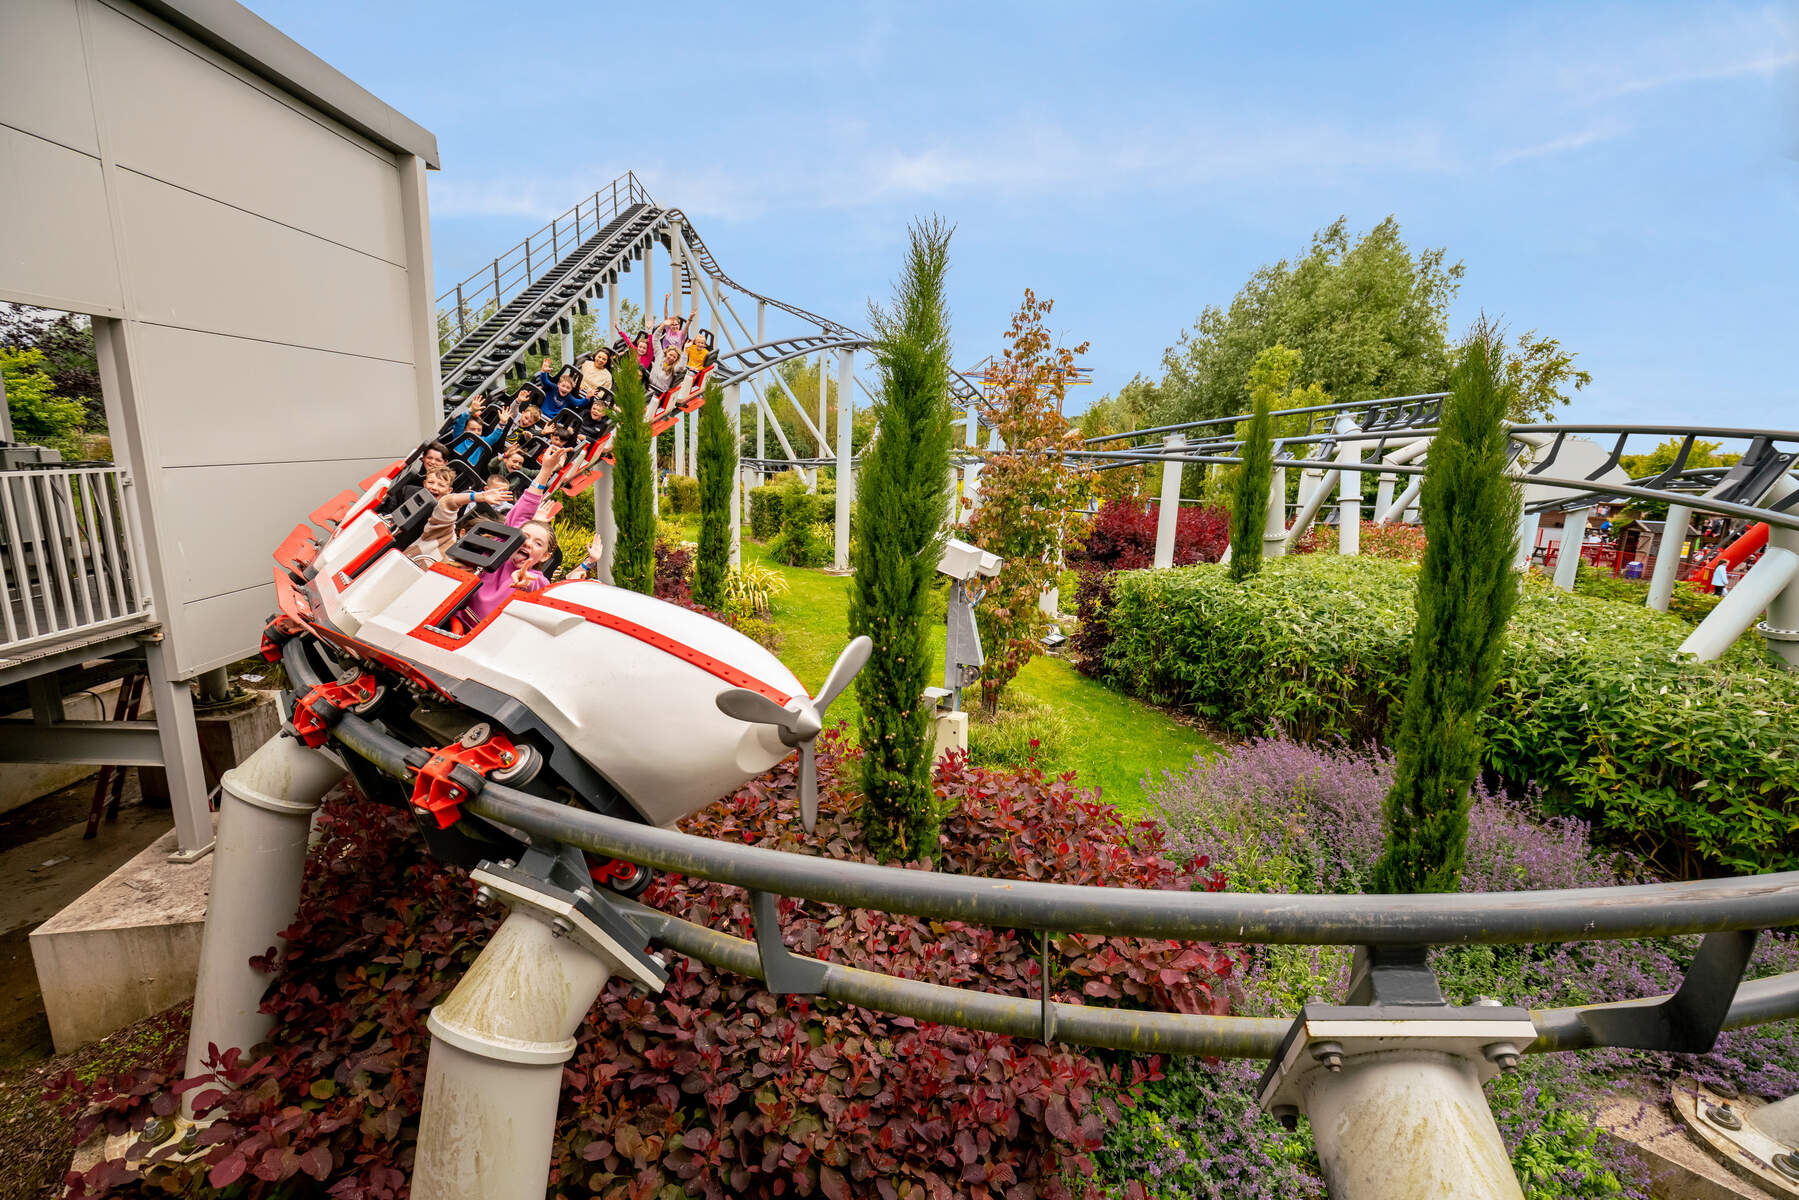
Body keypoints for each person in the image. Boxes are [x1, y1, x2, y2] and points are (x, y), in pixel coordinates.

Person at [460, 446, 570, 625]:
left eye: (538, 544)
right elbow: (524, 509)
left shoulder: (537, 579)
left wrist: (525, 581)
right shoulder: (500, 550)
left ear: (546, 556)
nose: (528, 543)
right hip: (457, 617)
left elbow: (534, 585)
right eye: (525, 536)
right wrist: (546, 470)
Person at [408, 473, 513, 566]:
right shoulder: (444, 537)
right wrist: (478, 496)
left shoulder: (473, 570)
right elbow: (447, 503)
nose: (483, 545)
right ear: (463, 533)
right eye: (482, 540)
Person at [379, 442, 449, 515]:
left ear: (445, 463)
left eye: (438, 460)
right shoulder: (411, 473)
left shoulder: (446, 480)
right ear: (423, 457)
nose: (432, 462)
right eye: (429, 458)